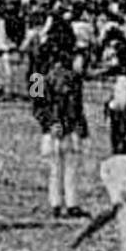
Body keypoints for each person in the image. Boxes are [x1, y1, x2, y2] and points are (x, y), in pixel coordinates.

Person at [32, 29, 89, 219]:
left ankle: (55, 203)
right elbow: (77, 104)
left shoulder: (37, 75)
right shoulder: (74, 74)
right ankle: (71, 203)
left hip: (52, 129)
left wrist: (49, 123)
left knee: (54, 168)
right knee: (70, 166)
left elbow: (37, 105)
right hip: (70, 126)